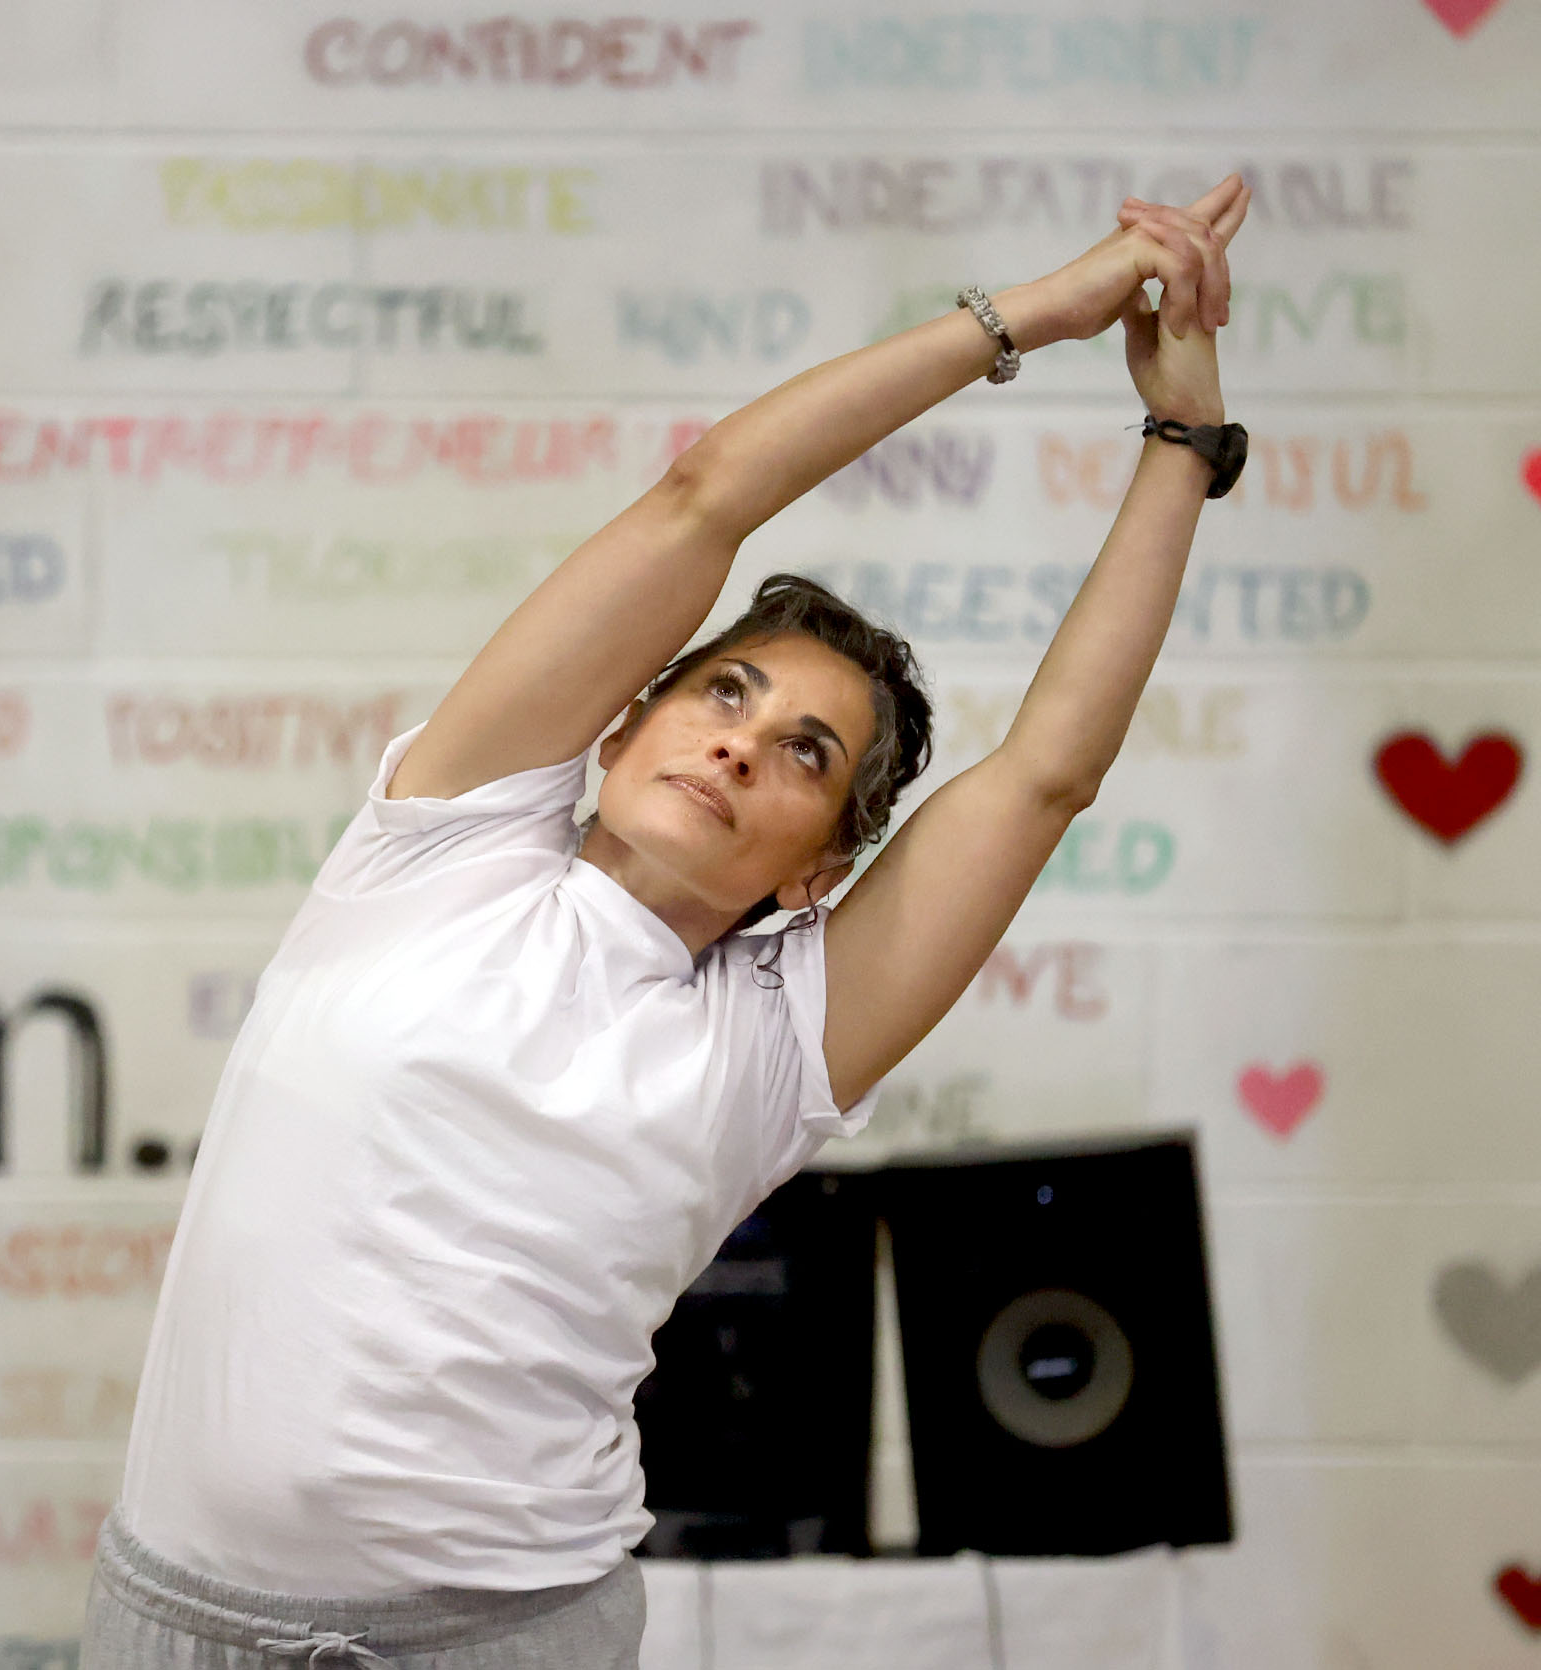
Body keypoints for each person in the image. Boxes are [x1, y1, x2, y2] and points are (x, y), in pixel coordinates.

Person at [82, 174, 1254, 1669]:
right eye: (726, 692)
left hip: (505, 1635)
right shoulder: (443, 839)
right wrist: (1022, 316)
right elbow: (706, 496)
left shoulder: (767, 1040)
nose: (744, 746)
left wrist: (1179, 443)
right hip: (178, 1620)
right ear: (628, 722)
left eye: (809, 755)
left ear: (817, 872)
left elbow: (1044, 775)